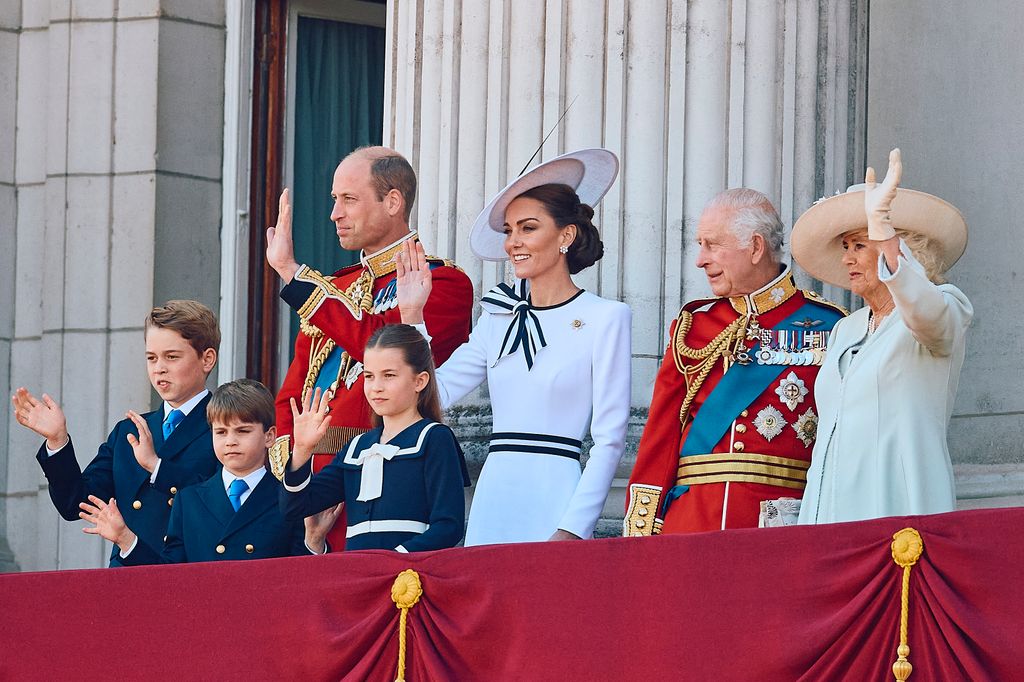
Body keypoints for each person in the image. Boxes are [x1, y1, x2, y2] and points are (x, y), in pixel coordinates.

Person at [396, 148, 631, 545]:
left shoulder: (606, 317)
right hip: (495, 497)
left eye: (527, 228)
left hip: (558, 497)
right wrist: (413, 316)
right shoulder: (498, 315)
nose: (512, 242)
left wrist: (574, 527)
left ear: (566, 236)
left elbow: (610, 439)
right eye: (508, 230)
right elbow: (436, 392)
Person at [266, 146, 474, 551]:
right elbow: (294, 392)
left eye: (349, 199)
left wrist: (293, 274)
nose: (335, 214)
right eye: (334, 200)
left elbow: (383, 345)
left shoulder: (443, 282)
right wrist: (297, 462)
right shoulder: (334, 288)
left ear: (393, 201)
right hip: (313, 486)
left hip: (389, 476)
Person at [625, 189, 847, 535]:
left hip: (782, 526)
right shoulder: (693, 327)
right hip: (691, 525)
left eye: (712, 245)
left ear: (755, 247)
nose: (700, 259)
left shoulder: (831, 326)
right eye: (700, 244)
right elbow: (660, 440)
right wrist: (641, 534)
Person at [792, 149, 972, 524]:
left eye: (860, 245)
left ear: (903, 247)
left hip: (896, 514)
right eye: (846, 247)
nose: (847, 258)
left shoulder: (945, 309)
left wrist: (884, 234)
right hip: (828, 520)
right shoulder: (846, 328)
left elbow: (927, 314)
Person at [11, 300, 221, 566]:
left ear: (207, 359)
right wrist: (57, 441)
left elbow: (219, 506)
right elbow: (76, 503)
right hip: (126, 577)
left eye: (172, 356)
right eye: (151, 358)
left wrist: (157, 467)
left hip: (189, 578)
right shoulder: (128, 432)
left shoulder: (223, 429)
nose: (159, 368)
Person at [78, 379, 337, 563]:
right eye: (220, 432)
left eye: (243, 431)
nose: (230, 441)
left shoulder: (286, 501)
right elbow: (168, 577)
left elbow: (299, 584)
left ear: (270, 436)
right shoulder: (189, 499)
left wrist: (313, 541)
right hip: (202, 629)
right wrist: (125, 539)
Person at [280, 325, 469, 552]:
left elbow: (449, 525)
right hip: (358, 576)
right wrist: (301, 450)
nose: (376, 387)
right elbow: (295, 508)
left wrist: (396, 560)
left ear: (419, 381)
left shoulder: (434, 438)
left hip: (410, 579)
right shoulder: (356, 448)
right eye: (369, 376)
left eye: (389, 375)